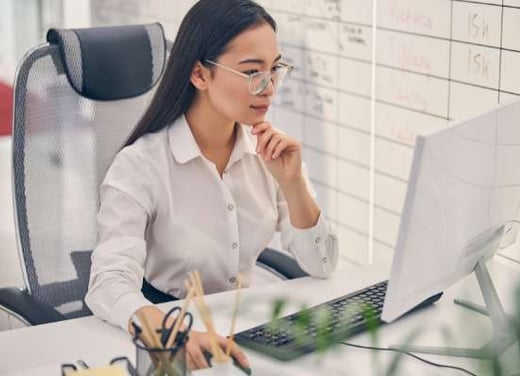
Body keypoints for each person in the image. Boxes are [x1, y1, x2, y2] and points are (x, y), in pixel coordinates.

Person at [85, 0, 339, 370]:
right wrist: (171, 333)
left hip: (246, 333)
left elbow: (322, 264)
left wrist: (294, 183)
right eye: (253, 71)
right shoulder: (140, 166)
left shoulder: (267, 152)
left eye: (275, 69)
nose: (269, 88)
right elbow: (107, 283)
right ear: (200, 75)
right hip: (170, 343)